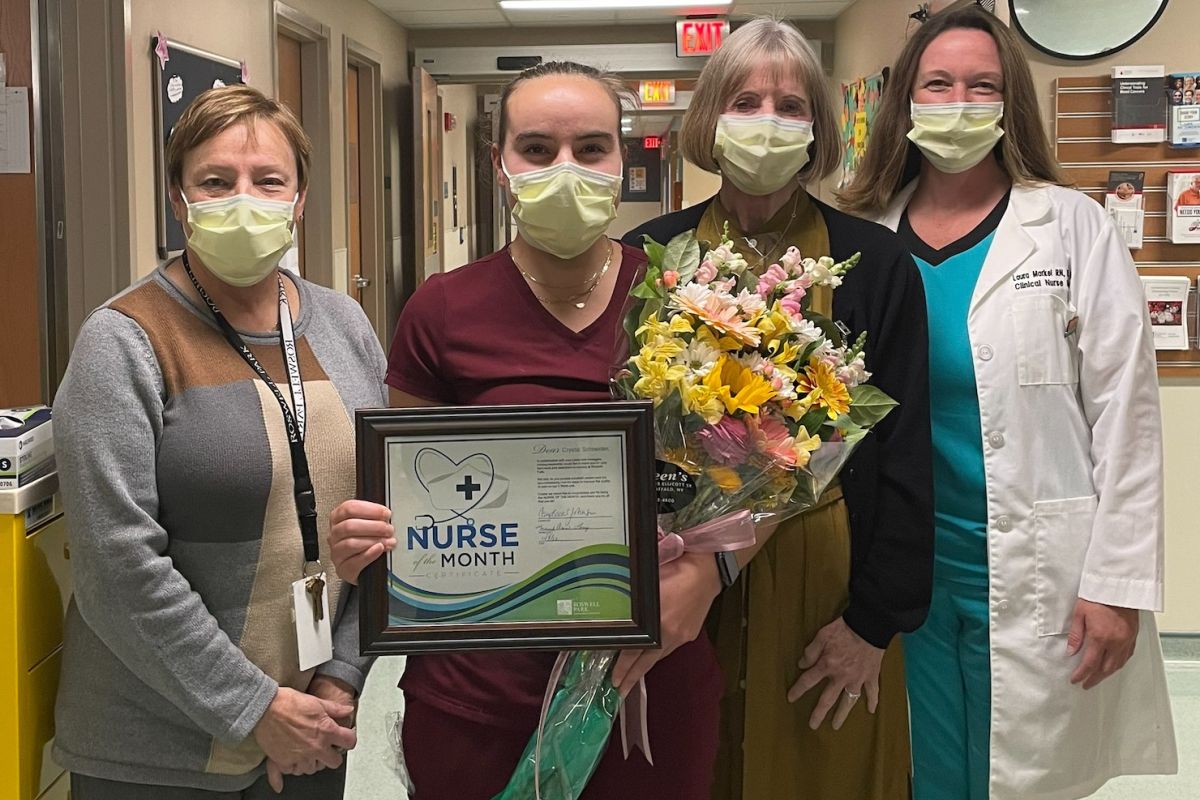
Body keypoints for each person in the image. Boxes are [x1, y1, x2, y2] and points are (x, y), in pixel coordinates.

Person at [328, 61, 725, 799]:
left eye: (592, 148)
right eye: (537, 150)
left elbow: (749, 482)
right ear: (500, 164)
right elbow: (403, 494)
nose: (565, 170)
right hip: (478, 695)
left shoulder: (686, 302)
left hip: (644, 687)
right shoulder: (442, 310)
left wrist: (712, 571)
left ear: (626, 156)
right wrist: (370, 539)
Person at [841, 6, 1177, 799]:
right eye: (938, 84)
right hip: (901, 567)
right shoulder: (865, 238)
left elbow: (1126, 414)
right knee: (920, 769)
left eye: (981, 85)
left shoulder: (1071, 229)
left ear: (1008, 103)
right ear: (905, 102)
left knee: (1020, 777)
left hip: (1038, 568)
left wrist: (1117, 585)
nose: (959, 102)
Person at [624, 18, 934, 800]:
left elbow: (901, 449)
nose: (767, 120)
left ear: (818, 131)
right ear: (710, 119)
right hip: (684, 579)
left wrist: (874, 624)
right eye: (746, 99)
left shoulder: (877, 264)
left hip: (825, 576)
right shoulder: (650, 255)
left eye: (791, 105)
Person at [52, 85, 386, 798]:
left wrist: (339, 676)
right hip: (156, 751)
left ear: (299, 201)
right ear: (179, 199)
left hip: (315, 726)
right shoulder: (124, 341)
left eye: (269, 181)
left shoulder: (343, 323)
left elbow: (381, 519)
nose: (245, 199)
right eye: (215, 181)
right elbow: (118, 568)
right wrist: (256, 709)